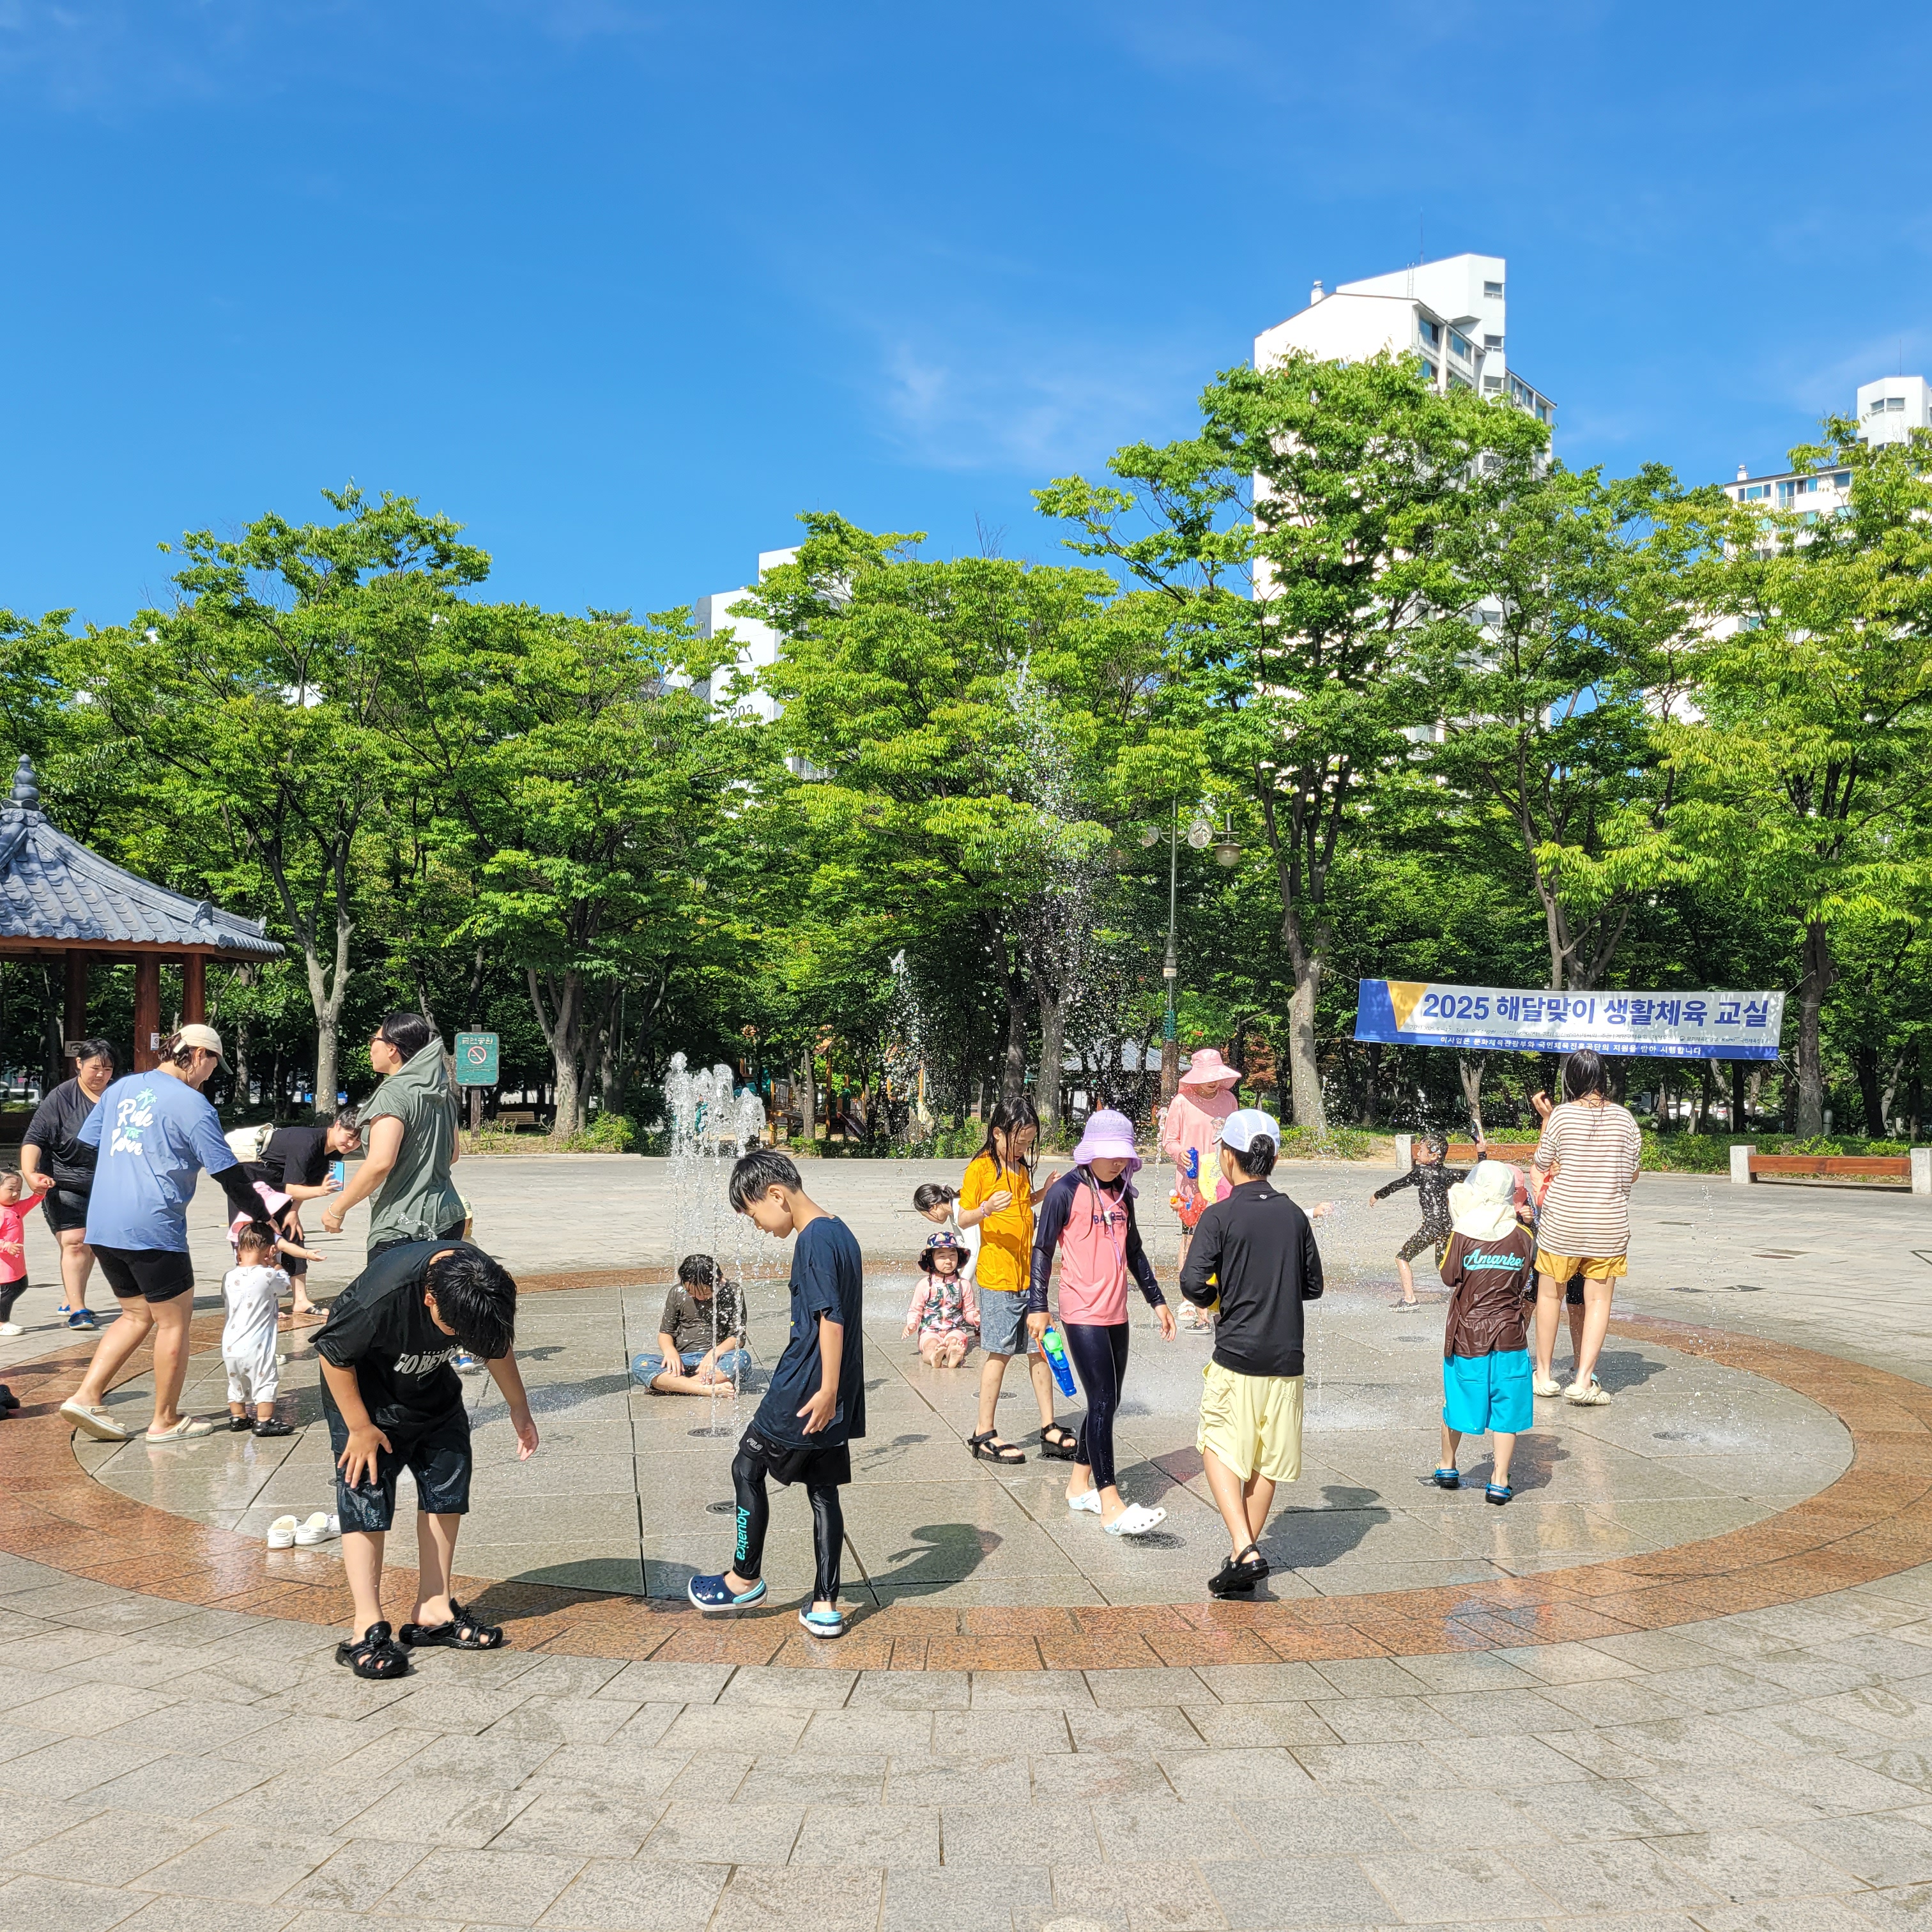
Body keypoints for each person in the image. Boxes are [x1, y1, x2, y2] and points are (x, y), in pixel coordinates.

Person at [317, 1240, 537, 1678]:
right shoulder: (383, 1295)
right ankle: (365, 1627)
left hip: (433, 1394)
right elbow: (333, 1354)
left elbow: (494, 1342)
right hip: (366, 1401)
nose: (459, 1339)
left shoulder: (482, 1283)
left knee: (447, 1483)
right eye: (454, 1330)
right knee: (366, 1494)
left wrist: (519, 1407)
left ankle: (434, 1608)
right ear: (429, 1298)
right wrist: (359, 1428)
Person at [56, 1026, 276, 1444]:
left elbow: (87, 1144)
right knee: (173, 1323)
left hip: (103, 1222)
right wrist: (264, 1216)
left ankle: (86, 1396)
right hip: (153, 1225)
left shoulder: (122, 1088)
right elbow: (228, 1173)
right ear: (198, 1054)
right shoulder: (194, 1105)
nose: (210, 1076)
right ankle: (165, 1420)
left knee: (135, 1314)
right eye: (212, 1065)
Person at [688, 1149, 865, 1640]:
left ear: (776, 1195)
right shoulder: (841, 1232)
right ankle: (825, 1605)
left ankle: (743, 1579)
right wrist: (836, 1392)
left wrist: (826, 1389)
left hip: (805, 1387)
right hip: (832, 1390)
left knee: (746, 1465)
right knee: (823, 1491)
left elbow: (831, 1318)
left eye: (754, 1215)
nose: (758, 1227)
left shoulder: (813, 1241)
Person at [1178, 1108, 1324, 1597]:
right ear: (1273, 1158)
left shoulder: (1220, 1215)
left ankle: (1244, 1547)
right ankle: (1243, 1556)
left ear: (1227, 1157)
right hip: (1287, 1360)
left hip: (1238, 1355)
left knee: (1216, 1445)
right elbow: (1313, 1286)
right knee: (1266, 1461)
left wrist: (1217, 1299)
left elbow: (1192, 1283)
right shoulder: (1294, 1215)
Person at [1027, 1107, 1176, 1535]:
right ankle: (1111, 1504)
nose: (1117, 1162)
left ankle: (1078, 1487)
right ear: (1090, 1150)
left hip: (1116, 1312)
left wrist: (1157, 1301)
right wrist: (1038, 1306)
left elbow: (1135, 1251)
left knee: (1106, 1401)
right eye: (1110, 1154)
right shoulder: (1066, 1191)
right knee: (1104, 1400)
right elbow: (1042, 1250)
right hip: (1081, 1311)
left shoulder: (1123, 1192)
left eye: (1123, 1154)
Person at [960, 1099, 1071, 1464]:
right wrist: (986, 1209)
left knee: (1042, 1347)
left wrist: (1045, 1193)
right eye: (1019, 1141)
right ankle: (983, 1432)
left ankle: (1049, 1427)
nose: (1023, 1148)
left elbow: (1024, 1205)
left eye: (1028, 1142)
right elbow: (963, 1217)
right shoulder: (980, 1168)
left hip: (1028, 1275)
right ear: (997, 1133)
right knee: (1000, 1352)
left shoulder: (1020, 1167)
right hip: (998, 1277)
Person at [1530, 1049, 1643, 1406]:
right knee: (1598, 1303)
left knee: (1550, 1296)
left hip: (1562, 1223)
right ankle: (1582, 1382)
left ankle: (1544, 1376)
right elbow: (1632, 1175)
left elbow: (1542, 1163)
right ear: (1602, 1079)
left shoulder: (1561, 1116)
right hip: (1608, 1225)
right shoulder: (1625, 1119)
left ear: (1571, 1079)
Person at [1432, 1158, 1538, 1503]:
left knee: (1459, 1399)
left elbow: (1449, 1276)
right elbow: (1524, 1280)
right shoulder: (1523, 1236)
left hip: (1468, 1334)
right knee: (1508, 1407)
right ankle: (1499, 1480)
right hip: (1510, 1334)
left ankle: (1448, 1466)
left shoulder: (1463, 1233)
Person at [321, 1013, 462, 1257]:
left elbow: (381, 1163)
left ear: (391, 1048)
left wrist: (337, 1209)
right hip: (448, 1218)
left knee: (383, 1284)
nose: (370, 1047)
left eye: (373, 1040)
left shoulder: (392, 1093)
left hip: (403, 1227)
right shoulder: (442, 1094)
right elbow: (453, 1155)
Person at [20, 1038, 116, 1330]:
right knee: (75, 1242)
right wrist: (29, 1173)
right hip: (65, 1182)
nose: (101, 1075)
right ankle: (78, 1310)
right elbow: (34, 1138)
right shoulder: (61, 1098)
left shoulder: (119, 1097)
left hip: (109, 1186)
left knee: (91, 1244)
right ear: (79, 1064)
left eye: (108, 1069)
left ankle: (70, 1298)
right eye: (95, 1068)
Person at [249, 1105, 362, 1317]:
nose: (351, 1145)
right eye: (349, 1137)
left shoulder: (336, 1151)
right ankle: (258, 1302)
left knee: (293, 1233)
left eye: (357, 1142)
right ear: (337, 1125)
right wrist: (320, 1191)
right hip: (252, 1183)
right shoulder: (307, 1142)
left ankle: (300, 1300)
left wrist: (294, 1212)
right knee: (255, 1239)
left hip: (280, 1186)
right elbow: (292, 1187)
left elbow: (301, 1185)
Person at [1161, 1048, 1243, 1298]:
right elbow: (1169, 1141)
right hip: (1192, 1178)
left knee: (1225, 1235)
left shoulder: (1229, 1100)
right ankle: (1190, 1294)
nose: (1213, 1082)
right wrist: (1180, 1153)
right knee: (1191, 1234)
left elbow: (1236, 1137)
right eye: (1208, 1077)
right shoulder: (1181, 1102)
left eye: (1216, 1076)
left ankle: (1222, 1289)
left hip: (1223, 1177)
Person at [1370, 1131, 1473, 1308]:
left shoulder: (1420, 1172)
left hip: (1431, 1227)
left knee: (1402, 1257)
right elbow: (1476, 1174)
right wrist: (1481, 1154)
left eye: (1421, 1150)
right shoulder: (1448, 1174)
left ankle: (1409, 1299)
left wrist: (1378, 1195)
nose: (1417, 1154)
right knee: (1443, 1263)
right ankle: (1469, 1294)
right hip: (1447, 1226)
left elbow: (1398, 1184)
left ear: (1434, 1156)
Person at [631, 1254, 749, 1393]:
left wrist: (714, 1353)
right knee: (640, 1363)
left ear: (718, 1280)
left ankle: (674, 1385)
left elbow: (738, 1338)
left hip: (718, 1361)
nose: (698, 1297)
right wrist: (670, 1352)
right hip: (682, 1362)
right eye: (690, 1292)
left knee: (742, 1358)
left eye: (705, 1294)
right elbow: (665, 1333)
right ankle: (706, 1389)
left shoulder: (733, 1292)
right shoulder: (677, 1292)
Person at [222, 1220, 293, 1438]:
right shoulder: (269, 1275)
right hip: (257, 1345)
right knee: (265, 1379)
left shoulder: (228, 1277)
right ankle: (264, 1421)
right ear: (271, 1251)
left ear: (238, 1252)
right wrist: (277, 1266)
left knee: (236, 1380)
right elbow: (286, 1286)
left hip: (230, 1344)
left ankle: (238, 1417)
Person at [904, 1231, 978, 1367]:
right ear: (931, 1259)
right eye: (942, 1256)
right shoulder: (925, 1285)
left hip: (955, 1329)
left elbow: (968, 1311)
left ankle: (953, 1356)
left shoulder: (963, 1285)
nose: (948, 1261)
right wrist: (912, 1324)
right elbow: (916, 1310)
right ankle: (933, 1357)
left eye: (952, 1255)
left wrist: (975, 1317)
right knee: (930, 1345)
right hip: (930, 1330)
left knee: (954, 1342)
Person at [912, 1181, 981, 1286]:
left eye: (926, 1215)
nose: (929, 1220)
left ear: (933, 1207)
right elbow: (962, 1248)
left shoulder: (962, 1208)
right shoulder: (954, 1212)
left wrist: (961, 1286)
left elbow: (973, 1252)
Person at [0, 1169, 40, 1335]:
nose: (15, 1194)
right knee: (9, 1291)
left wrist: (41, 1192)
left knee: (21, 1285)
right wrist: (6, 1245)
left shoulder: (15, 1209)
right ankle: (2, 1323)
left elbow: (30, 1203)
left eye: (19, 1190)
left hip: (15, 1262)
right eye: (10, 1189)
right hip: (4, 1264)